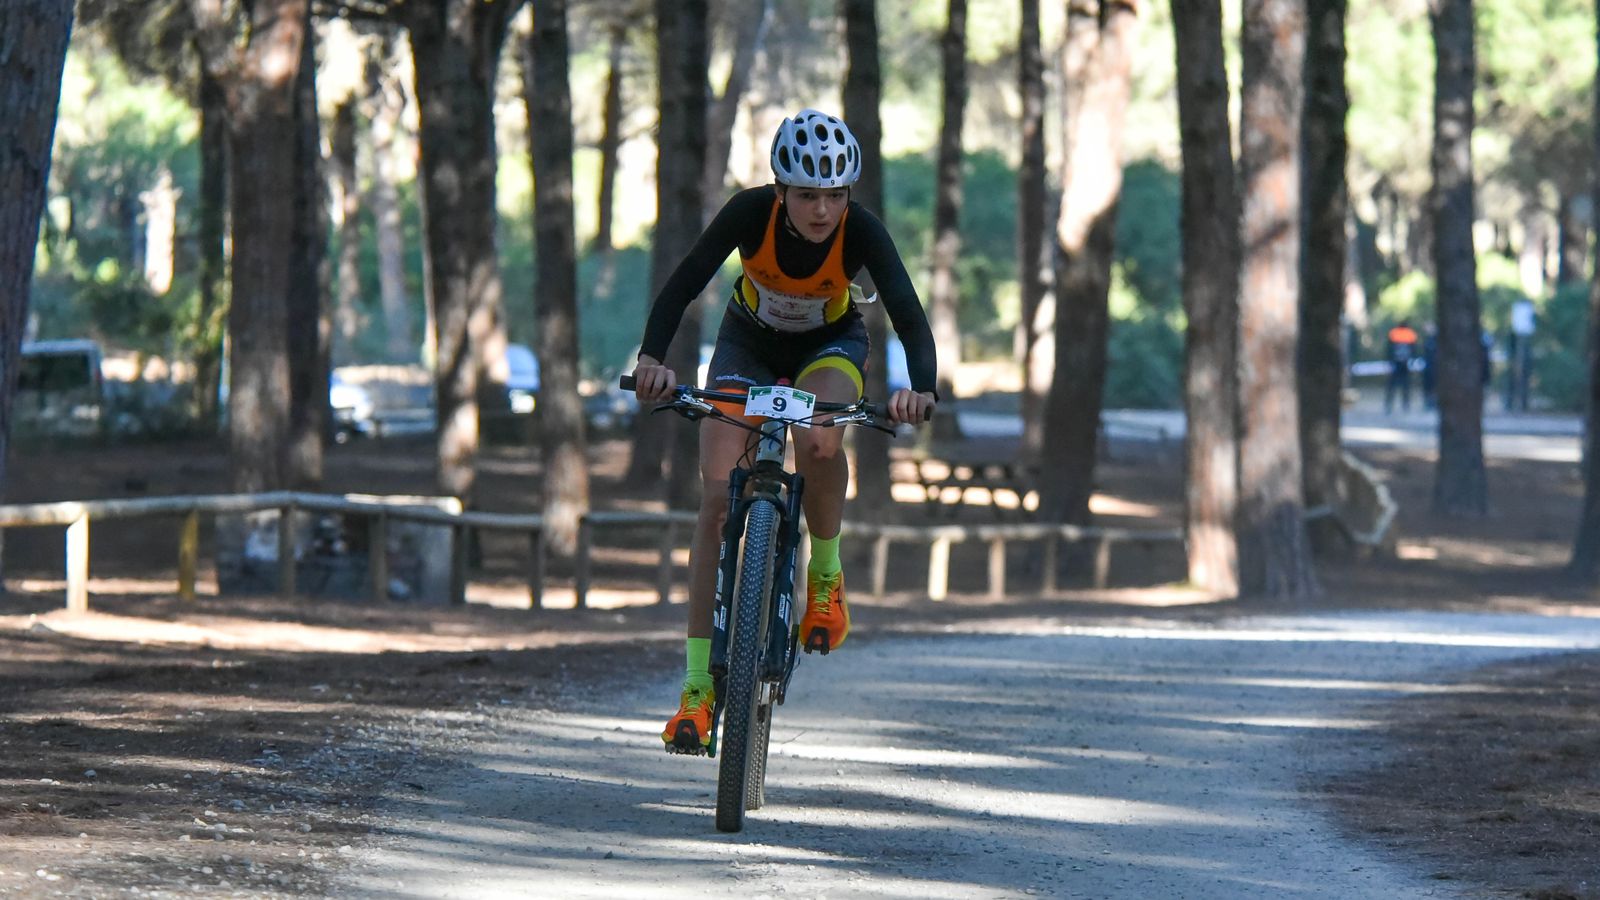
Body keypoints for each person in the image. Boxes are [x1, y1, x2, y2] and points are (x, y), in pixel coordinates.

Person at [630, 109, 939, 754]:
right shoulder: (749, 214)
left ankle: (823, 579)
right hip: (747, 347)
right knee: (716, 503)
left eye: (834, 195)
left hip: (828, 348)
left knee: (822, 438)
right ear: (780, 192)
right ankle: (695, 692)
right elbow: (685, 283)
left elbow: (907, 312)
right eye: (807, 195)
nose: (822, 210)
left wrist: (922, 388)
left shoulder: (861, 230)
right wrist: (652, 360)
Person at [1384, 319, 1419, 413]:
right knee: (1406, 386)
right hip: (1405, 364)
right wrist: (1412, 363)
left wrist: (1389, 362)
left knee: (1392, 386)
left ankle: (1388, 405)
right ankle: (1405, 405)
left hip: (1395, 363)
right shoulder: (1411, 334)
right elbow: (1414, 349)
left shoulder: (1393, 333)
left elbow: (1389, 349)